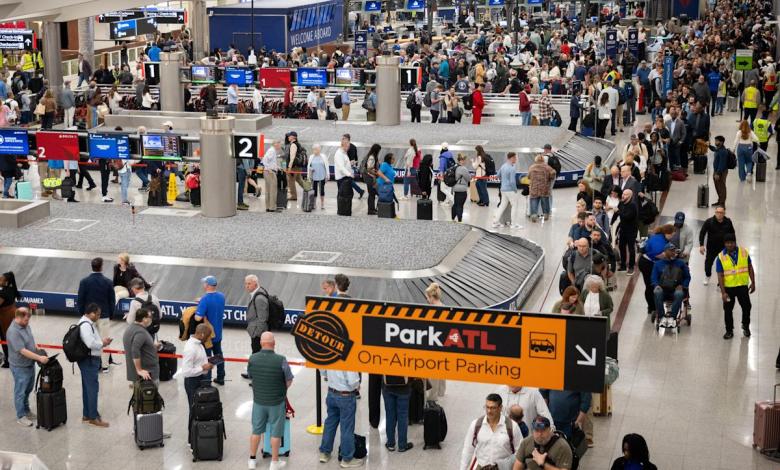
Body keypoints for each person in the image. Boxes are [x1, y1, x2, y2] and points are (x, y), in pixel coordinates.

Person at [247, 332, 294, 470]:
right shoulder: (281, 360)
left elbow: (251, 376)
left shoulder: (252, 358)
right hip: (276, 402)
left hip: (259, 401)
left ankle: (252, 460)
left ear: (261, 343)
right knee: (275, 432)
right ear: (274, 343)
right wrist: (281, 388)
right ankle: (274, 462)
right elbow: (289, 379)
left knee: (256, 430)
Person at [7, 307, 48, 426]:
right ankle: (21, 415)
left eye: (28, 320)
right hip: (20, 366)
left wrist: (36, 348)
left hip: (29, 363)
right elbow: (22, 351)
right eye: (25, 320)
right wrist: (39, 358)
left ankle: (27, 410)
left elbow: (30, 340)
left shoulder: (25, 326)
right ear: (18, 317)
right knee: (20, 391)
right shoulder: (13, 331)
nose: (27, 322)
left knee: (28, 389)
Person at [460, 393, 523, 470]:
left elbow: (520, 451)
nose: (489, 411)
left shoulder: (512, 426)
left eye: (493, 408)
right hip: (482, 467)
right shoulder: (476, 425)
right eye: (487, 407)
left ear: (500, 408)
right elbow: (468, 449)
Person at [175, 323, 213, 443]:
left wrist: (208, 365)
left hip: (201, 380)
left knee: (202, 409)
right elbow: (186, 372)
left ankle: (201, 434)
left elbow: (200, 362)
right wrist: (203, 368)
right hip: (193, 382)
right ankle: (192, 439)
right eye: (207, 335)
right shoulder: (190, 348)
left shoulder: (199, 344)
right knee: (194, 410)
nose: (209, 337)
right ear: (201, 334)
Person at [77, 258, 116, 371]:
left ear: (92, 266)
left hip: (89, 317)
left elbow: (80, 299)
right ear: (101, 267)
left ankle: (95, 363)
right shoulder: (108, 282)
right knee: (105, 341)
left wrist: (83, 314)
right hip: (104, 316)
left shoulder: (84, 282)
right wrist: (110, 315)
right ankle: (105, 366)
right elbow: (112, 301)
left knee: (91, 341)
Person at [318, 369, 363, 467]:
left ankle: (324, 453)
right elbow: (352, 380)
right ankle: (347, 459)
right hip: (346, 396)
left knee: (330, 423)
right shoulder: (347, 357)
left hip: (331, 393)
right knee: (347, 428)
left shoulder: (329, 353)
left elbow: (322, 370)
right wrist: (357, 385)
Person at [78, 303, 113, 427]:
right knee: (92, 389)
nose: (98, 316)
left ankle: (87, 414)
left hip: (87, 360)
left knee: (87, 388)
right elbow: (90, 343)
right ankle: (93, 417)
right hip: (89, 360)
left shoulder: (85, 322)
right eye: (97, 314)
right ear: (91, 313)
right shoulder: (86, 325)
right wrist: (102, 343)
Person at [716, 234, 756, 339]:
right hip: (729, 288)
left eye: (732, 242)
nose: (730, 245)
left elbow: (750, 267)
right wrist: (723, 292)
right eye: (727, 243)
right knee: (728, 310)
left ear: (735, 242)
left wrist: (753, 282)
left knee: (747, 307)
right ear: (724, 244)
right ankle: (729, 330)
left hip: (742, 287)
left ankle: (745, 326)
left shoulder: (744, 252)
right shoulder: (720, 257)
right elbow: (720, 275)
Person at [193, 276, 226, 385]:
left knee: (206, 357)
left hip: (207, 335)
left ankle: (207, 380)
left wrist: (200, 305)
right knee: (218, 354)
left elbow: (198, 318)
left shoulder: (205, 299)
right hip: (218, 333)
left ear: (207, 285)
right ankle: (221, 377)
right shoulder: (222, 296)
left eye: (204, 283)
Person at [638, 224, 676, 315]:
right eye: (672, 235)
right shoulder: (659, 241)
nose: (673, 237)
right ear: (668, 233)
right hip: (647, 264)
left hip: (649, 262)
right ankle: (652, 308)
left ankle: (654, 306)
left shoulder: (660, 237)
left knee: (653, 285)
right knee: (650, 285)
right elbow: (658, 255)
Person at [651, 243, 691, 322]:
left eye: (673, 250)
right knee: (657, 292)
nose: (672, 252)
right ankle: (662, 317)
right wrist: (656, 285)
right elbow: (653, 277)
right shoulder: (658, 264)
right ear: (665, 252)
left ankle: (672, 317)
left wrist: (683, 286)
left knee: (679, 294)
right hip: (663, 290)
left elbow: (687, 277)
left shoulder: (681, 263)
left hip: (676, 290)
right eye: (670, 251)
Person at [241, 275, 269, 381]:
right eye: (246, 283)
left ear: (255, 284)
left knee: (257, 354)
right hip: (256, 330)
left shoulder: (259, 298)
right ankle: (252, 373)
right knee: (255, 353)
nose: (246, 286)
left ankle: (257, 378)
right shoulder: (257, 293)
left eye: (249, 283)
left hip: (258, 332)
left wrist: (256, 333)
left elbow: (263, 318)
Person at [699, 206, 736, 285]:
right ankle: (707, 276)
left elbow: (732, 233)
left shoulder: (728, 222)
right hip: (712, 247)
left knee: (724, 265)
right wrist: (701, 245)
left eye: (721, 213)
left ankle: (721, 281)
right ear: (715, 213)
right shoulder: (709, 222)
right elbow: (702, 233)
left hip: (724, 248)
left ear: (724, 213)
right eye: (717, 212)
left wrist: (733, 245)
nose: (719, 214)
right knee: (708, 264)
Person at [382, 374, 413, 453]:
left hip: (388, 386)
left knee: (390, 416)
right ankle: (402, 445)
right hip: (404, 388)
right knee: (403, 416)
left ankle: (390, 444)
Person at [612, 189, 639, 275]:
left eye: (626, 194)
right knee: (621, 246)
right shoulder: (621, 203)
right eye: (623, 194)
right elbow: (616, 214)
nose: (623, 196)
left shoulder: (633, 205)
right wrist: (611, 223)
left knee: (631, 248)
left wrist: (618, 211)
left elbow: (627, 216)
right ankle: (623, 265)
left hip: (631, 230)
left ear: (630, 196)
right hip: (623, 229)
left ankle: (631, 267)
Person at [492, 152, 521, 228]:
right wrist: (515, 189)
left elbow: (497, 176)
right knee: (515, 205)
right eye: (515, 157)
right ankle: (514, 224)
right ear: (511, 158)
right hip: (510, 190)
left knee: (502, 205)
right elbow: (512, 181)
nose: (516, 159)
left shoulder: (503, 166)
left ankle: (495, 222)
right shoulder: (512, 168)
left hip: (503, 189)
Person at [528, 154, 556, 222]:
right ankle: (546, 215)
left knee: (534, 201)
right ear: (543, 160)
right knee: (545, 202)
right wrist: (549, 178)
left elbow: (528, 176)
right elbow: (553, 173)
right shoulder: (547, 167)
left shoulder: (532, 167)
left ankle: (534, 215)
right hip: (544, 188)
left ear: (536, 160)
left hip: (534, 188)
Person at [0, 271, 19, 368]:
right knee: (10, 338)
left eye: (1, 279)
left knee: (5, 339)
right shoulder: (11, 289)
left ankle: (8, 361)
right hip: (12, 315)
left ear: (6, 282)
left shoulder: (3, 293)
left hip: (5, 318)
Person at [709, 136, 730, 206]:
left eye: (717, 141)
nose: (715, 142)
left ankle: (722, 203)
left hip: (721, 172)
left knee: (721, 187)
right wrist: (709, 146)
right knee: (718, 187)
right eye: (715, 141)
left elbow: (722, 163)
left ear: (721, 142)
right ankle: (720, 200)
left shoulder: (723, 151)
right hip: (717, 171)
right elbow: (714, 149)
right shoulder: (719, 149)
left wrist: (718, 173)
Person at [451, 153, 472, 222]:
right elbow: (468, 178)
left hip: (455, 188)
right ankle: (460, 220)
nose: (465, 161)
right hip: (462, 189)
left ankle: (452, 218)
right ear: (462, 160)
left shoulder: (455, 166)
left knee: (456, 204)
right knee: (460, 205)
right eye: (465, 160)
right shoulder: (463, 169)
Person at [262, 140, 281, 212]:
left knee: (268, 190)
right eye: (279, 144)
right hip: (270, 173)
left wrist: (277, 167)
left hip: (268, 172)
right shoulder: (272, 151)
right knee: (273, 190)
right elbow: (265, 160)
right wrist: (269, 169)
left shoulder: (271, 150)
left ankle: (268, 206)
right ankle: (272, 207)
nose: (280, 146)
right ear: (275, 144)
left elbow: (271, 162)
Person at [308, 144, 328, 209]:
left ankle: (322, 204)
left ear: (319, 150)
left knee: (322, 191)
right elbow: (309, 166)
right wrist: (311, 169)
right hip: (314, 177)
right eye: (313, 149)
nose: (314, 151)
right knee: (314, 191)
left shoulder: (323, 156)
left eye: (316, 149)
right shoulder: (311, 157)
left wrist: (327, 175)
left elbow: (326, 166)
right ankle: (314, 204)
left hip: (322, 176)